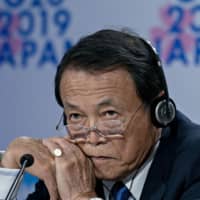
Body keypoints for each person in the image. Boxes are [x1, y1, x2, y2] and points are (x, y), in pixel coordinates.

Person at [1, 29, 200, 200]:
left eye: (109, 114)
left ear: (160, 112)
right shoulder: (69, 166)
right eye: (76, 116)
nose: (93, 139)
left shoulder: (194, 163)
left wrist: (82, 197)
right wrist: (8, 172)